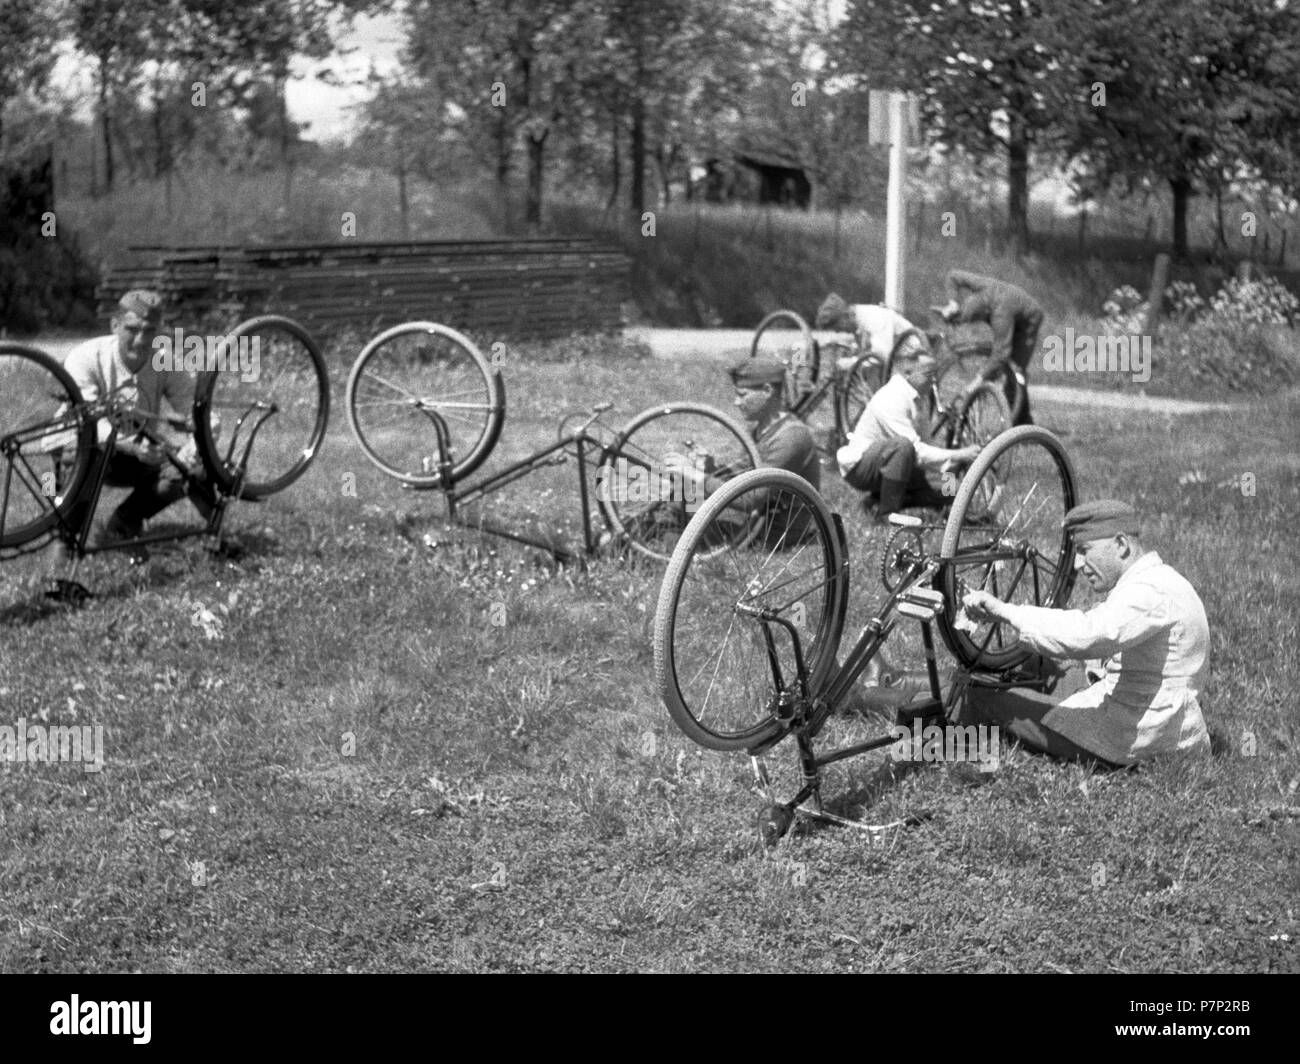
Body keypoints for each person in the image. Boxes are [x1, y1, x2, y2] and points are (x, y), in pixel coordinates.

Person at [957, 499, 1211, 768]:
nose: (1077, 564)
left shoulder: (1150, 593)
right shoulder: (1157, 579)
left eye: (1084, 550)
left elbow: (1088, 636)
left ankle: (948, 726)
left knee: (981, 695)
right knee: (1035, 662)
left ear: (1121, 545)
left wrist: (1006, 612)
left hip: (1134, 736)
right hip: (1138, 707)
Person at [54, 289, 214, 568]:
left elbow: (198, 413)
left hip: (137, 453)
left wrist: (195, 445)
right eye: (131, 329)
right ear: (114, 326)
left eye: (150, 331)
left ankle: (124, 523)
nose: (141, 340)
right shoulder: (86, 357)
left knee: (189, 467)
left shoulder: (165, 360)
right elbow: (88, 422)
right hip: (83, 447)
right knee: (85, 453)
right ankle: (65, 542)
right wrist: (130, 445)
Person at [663, 357, 820, 545]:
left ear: (767, 391)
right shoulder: (761, 428)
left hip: (774, 532)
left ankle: (662, 557)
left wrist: (694, 475)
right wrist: (710, 468)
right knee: (679, 503)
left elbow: (750, 499)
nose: (736, 402)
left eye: (742, 394)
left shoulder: (791, 438)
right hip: (756, 519)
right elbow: (743, 478)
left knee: (678, 518)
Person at [836, 344, 981, 523]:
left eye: (935, 375)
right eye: (928, 375)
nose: (933, 381)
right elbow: (915, 450)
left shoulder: (921, 398)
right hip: (861, 467)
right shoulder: (891, 398)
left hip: (899, 463)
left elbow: (925, 447)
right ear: (907, 373)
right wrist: (958, 455)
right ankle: (886, 514)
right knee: (902, 446)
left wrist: (948, 468)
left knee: (952, 490)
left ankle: (879, 500)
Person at [934, 270, 1043, 426]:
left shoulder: (1000, 315)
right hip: (1011, 307)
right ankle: (1016, 414)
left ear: (986, 313)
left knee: (1016, 369)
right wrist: (953, 303)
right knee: (997, 367)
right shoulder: (983, 287)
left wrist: (977, 380)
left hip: (1029, 320)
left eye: (980, 319)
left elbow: (1001, 354)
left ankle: (1021, 421)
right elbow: (953, 276)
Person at [814, 292, 925, 367]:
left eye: (837, 328)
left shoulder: (874, 318)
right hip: (897, 361)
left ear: (845, 317)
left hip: (913, 360)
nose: (838, 332)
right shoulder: (860, 321)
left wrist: (851, 362)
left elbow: (880, 356)